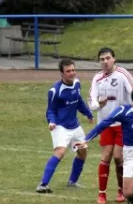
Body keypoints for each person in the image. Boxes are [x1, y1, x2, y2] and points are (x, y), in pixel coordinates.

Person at [36, 58, 94, 194]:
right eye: (68, 71)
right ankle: (43, 184)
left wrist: (88, 114)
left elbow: (78, 101)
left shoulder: (77, 84)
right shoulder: (55, 91)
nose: (72, 73)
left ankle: (72, 181)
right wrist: (51, 121)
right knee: (60, 152)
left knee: (83, 152)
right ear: (62, 74)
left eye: (73, 70)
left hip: (75, 125)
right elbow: (50, 109)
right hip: (60, 126)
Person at [88, 47, 133, 204]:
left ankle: (122, 190)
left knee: (118, 156)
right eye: (102, 59)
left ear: (114, 59)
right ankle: (102, 194)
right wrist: (98, 104)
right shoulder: (97, 78)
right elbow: (92, 102)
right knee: (106, 155)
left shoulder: (123, 74)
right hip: (105, 123)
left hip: (123, 123)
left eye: (108, 58)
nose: (105, 62)